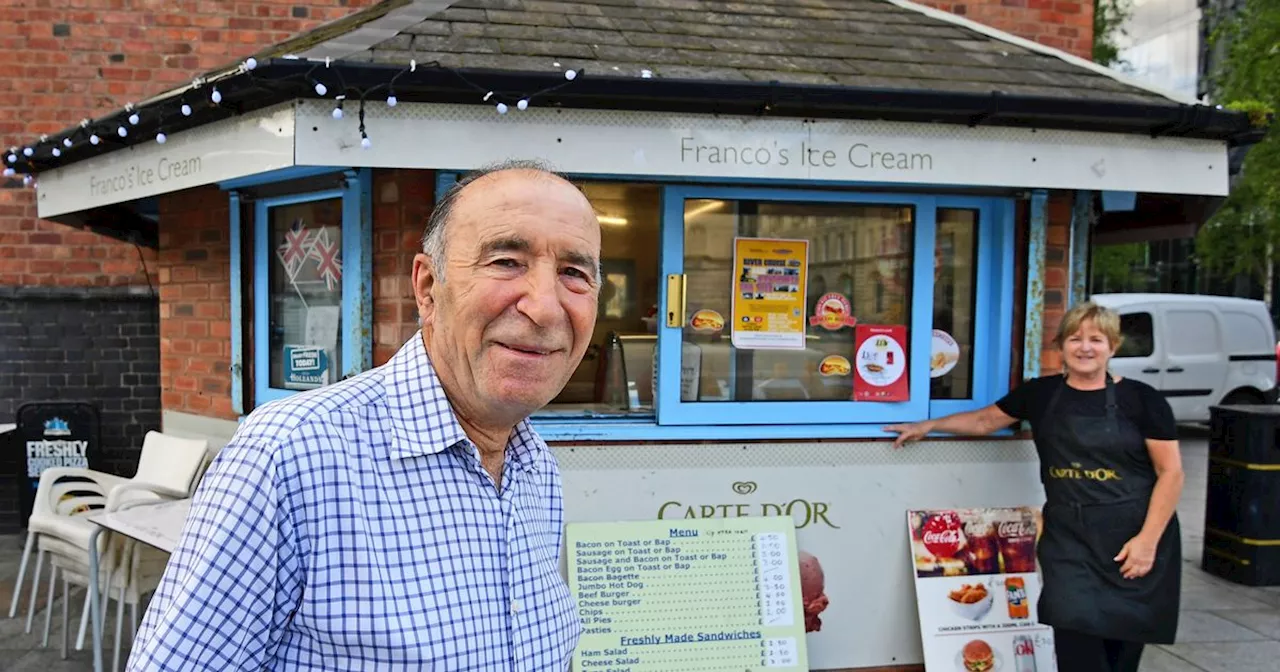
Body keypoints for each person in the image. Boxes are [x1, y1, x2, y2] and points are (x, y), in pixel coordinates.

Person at [127, 160, 601, 670]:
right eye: (506, 261)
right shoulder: (291, 456)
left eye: (574, 273)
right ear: (427, 288)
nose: (546, 307)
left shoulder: (536, 470)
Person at [887, 301, 1183, 672]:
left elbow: (1170, 473)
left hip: (1132, 536)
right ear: (1060, 346)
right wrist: (927, 425)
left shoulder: (1144, 400)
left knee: (1121, 653)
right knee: (1075, 639)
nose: (1085, 347)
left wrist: (1147, 542)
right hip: (1070, 538)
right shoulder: (1041, 394)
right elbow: (983, 421)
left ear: (1113, 346)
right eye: (1075, 338)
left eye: (1096, 339)